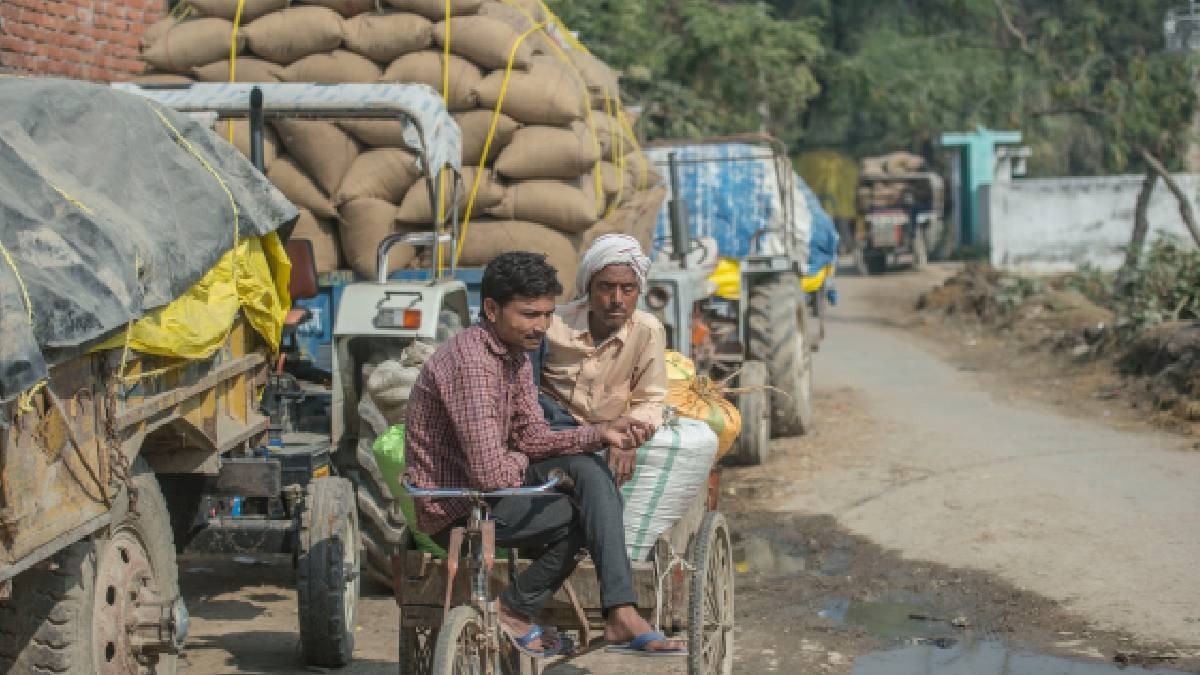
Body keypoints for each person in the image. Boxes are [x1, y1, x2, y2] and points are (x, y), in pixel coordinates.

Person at [404, 251, 685, 657]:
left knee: (589, 472)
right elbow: (491, 474)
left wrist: (600, 434)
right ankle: (515, 610)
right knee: (580, 521)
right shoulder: (473, 365)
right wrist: (521, 455)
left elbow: (534, 436)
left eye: (547, 315)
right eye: (529, 314)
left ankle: (620, 612)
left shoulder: (513, 353)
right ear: (492, 309)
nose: (541, 326)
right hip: (458, 503)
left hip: (489, 489)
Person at [531, 234, 667, 487]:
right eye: (606, 287)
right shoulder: (553, 324)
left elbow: (651, 399)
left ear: (638, 292)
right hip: (556, 435)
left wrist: (626, 439)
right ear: (588, 289)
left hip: (611, 430)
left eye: (628, 289)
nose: (617, 299)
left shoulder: (647, 330)